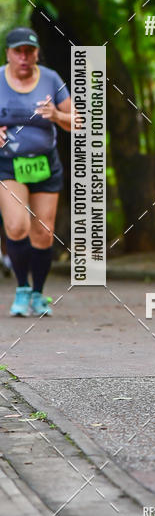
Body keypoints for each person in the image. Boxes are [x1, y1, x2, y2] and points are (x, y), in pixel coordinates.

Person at [0, 27, 74, 317]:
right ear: (8, 53)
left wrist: (56, 115)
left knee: (43, 233)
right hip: (8, 165)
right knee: (17, 225)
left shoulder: (51, 79)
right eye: (18, 51)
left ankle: (38, 294)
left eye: (29, 51)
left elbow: (77, 121)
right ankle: (21, 289)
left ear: (36, 53)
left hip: (45, 165)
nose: (24, 57)